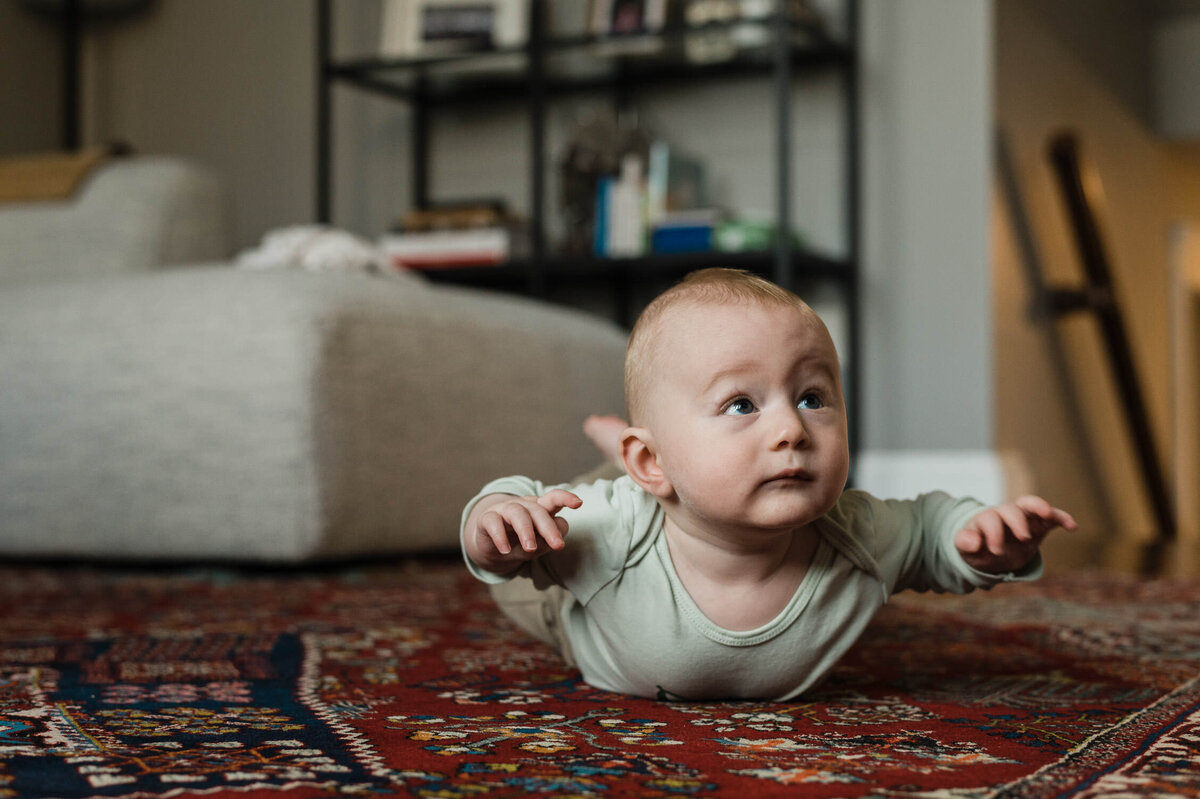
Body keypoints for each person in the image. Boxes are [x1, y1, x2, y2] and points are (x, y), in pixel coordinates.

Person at [460, 268, 1075, 701]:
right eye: (740, 405)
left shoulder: (858, 536)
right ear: (651, 462)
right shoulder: (611, 530)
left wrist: (977, 539)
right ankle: (614, 458)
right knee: (533, 542)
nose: (791, 429)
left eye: (812, 397)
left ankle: (632, 448)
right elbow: (505, 522)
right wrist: (497, 521)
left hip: (655, 478)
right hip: (587, 612)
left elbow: (929, 527)